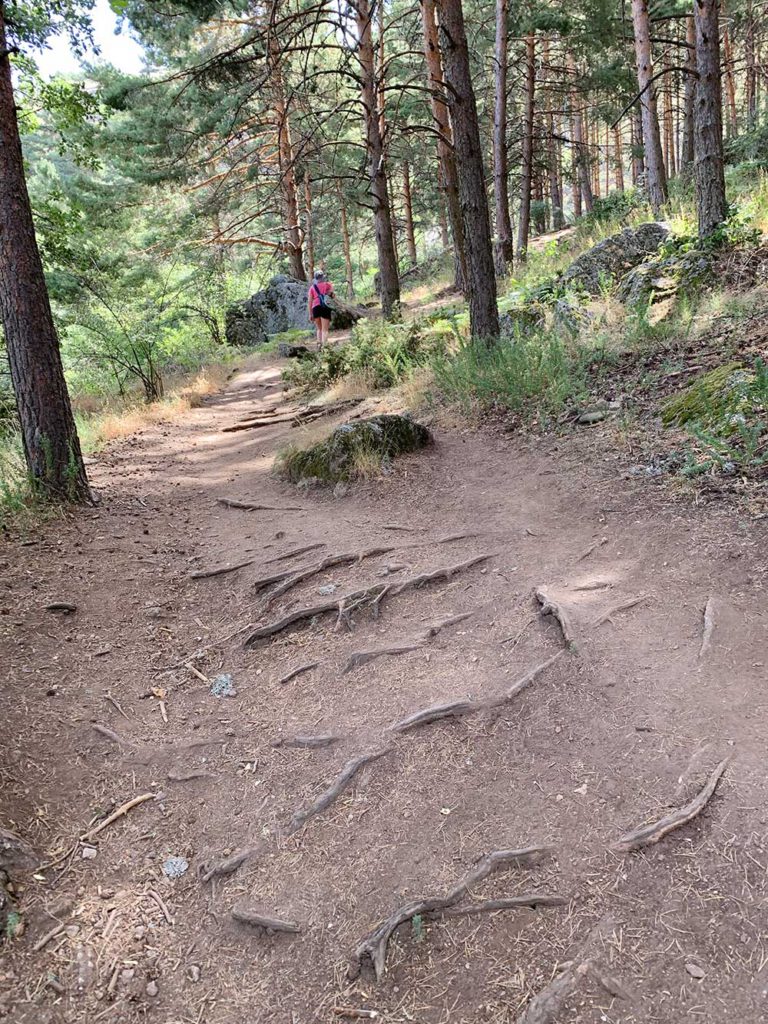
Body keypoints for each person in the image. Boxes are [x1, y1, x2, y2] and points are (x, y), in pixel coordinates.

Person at [307, 270, 335, 350]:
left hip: (315, 307)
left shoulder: (312, 288)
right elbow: (333, 296)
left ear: (315, 278)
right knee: (325, 330)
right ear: (323, 277)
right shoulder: (328, 285)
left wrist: (310, 314)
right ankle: (325, 348)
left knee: (319, 329)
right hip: (325, 307)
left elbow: (309, 301)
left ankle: (319, 345)